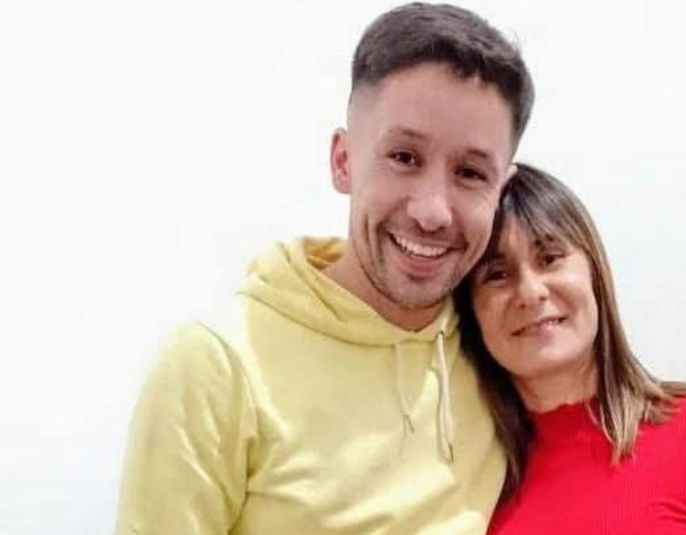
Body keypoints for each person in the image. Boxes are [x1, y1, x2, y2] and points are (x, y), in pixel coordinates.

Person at [115, 3, 533, 534]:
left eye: (470, 173)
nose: (432, 211)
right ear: (343, 160)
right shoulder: (216, 365)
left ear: (501, 190)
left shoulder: (499, 349)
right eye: (404, 157)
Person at [455, 164, 686, 534]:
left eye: (550, 258)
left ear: (594, 272)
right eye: (496, 275)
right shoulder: (466, 478)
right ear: (470, 310)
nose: (530, 292)